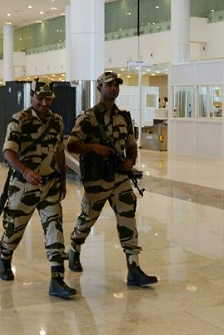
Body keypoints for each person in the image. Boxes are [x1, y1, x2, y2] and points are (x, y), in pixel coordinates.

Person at [67, 71, 157, 287]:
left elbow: (131, 143)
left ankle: (133, 267)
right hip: (97, 180)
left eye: (116, 85)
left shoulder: (124, 117)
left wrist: (131, 160)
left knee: (128, 219)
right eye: (109, 85)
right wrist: (94, 148)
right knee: (87, 219)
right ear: (100, 89)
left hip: (119, 178)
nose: (113, 88)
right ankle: (74, 248)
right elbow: (71, 145)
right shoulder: (88, 118)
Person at [0, 77, 76, 299]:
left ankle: (57, 279)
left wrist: (62, 180)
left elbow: (59, 151)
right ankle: (4, 257)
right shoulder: (19, 120)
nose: (44, 102)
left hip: (50, 184)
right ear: (31, 95)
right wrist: (26, 171)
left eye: (48, 98)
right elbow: (8, 152)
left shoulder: (57, 120)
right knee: (14, 230)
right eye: (40, 97)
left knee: (55, 228)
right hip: (23, 186)